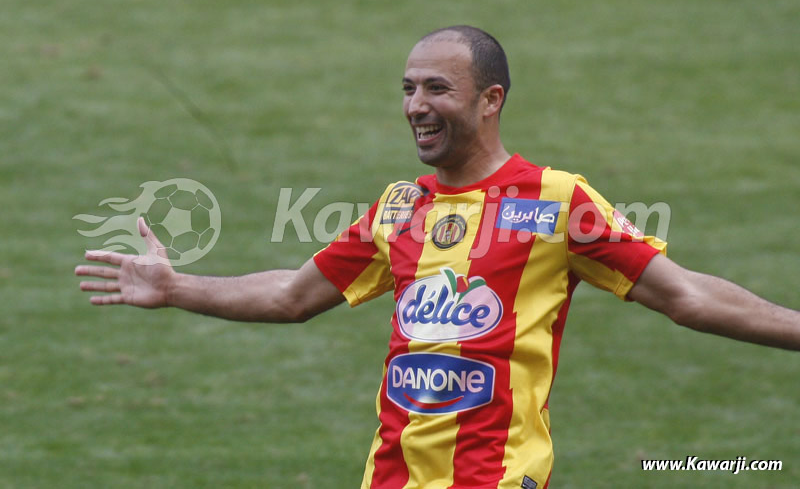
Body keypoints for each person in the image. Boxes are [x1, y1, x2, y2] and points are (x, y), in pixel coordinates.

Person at [76, 26, 800, 489]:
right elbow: (290, 297)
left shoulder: (555, 199)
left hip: (494, 479)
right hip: (390, 479)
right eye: (408, 88)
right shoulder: (400, 207)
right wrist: (178, 287)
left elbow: (686, 297)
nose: (415, 104)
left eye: (436, 88)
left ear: (491, 100)